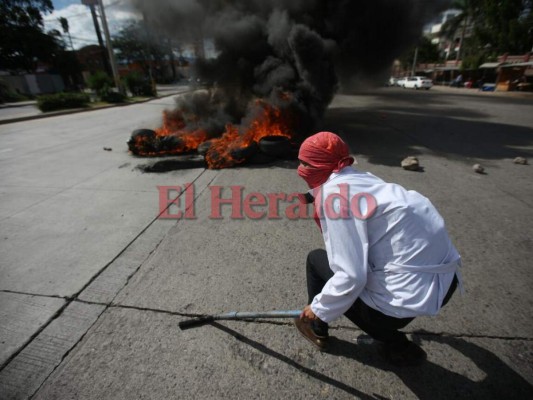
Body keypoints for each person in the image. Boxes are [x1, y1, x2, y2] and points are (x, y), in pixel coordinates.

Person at [294, 131, 462, 366]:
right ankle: (384, 333)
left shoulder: (335, 198)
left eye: (304, 163)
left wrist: (319, 307)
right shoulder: (362, 178)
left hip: (401, 303)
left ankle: (318, 326)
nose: (300, 169)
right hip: (446, 283)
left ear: (320, 165)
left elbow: (351, 276)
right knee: (354, 269)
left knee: (316, 260)